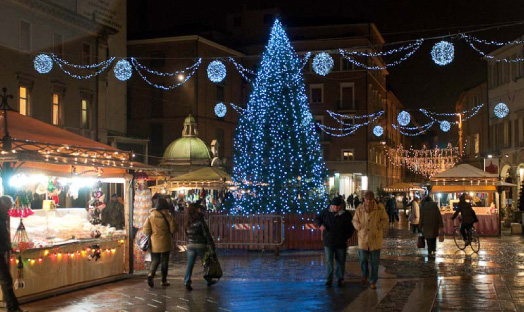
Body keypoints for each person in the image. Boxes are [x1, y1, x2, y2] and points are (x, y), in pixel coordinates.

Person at [352, 191, 389, 289]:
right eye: (367, 199)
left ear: (373, 199)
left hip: (375, 239)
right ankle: (365, 274)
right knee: (363, 259)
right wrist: (358, 226)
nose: (368, 201)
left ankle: (373, 281)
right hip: (363, 239)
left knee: (375, 262)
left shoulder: (380, 208)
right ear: (364, 199)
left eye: (370, 199)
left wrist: (379, 225)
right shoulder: (359, 208)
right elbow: (354, 220)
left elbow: (385, 220)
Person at [314, 197, 354, 287]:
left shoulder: (346, 214)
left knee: (341, 261)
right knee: (329, 261)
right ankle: (329, 279)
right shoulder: (325, 212)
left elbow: (351, 227)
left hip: (341, 241)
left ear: (341, 205)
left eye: (338, 206)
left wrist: (347, 236)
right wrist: (320, 225)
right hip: (329, 241)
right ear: (331, 205)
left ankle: (340, 278)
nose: (336, 208)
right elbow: (317, 219)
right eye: (334, 206)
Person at [143, 198, 177, 288]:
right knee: (165, 261)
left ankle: (151, 274)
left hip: (154, 241)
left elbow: (146, 230)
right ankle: (163, 280)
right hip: (165, 241)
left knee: (155, 260)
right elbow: (173, 229)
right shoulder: (168, 216)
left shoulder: (151, 216)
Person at [184, 204, 217, 290]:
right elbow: (206, 234)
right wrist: (211, 244)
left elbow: (186, 233)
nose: (201, 211)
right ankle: (208, 279)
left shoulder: (188, 221)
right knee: (206, 262)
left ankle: (187, 281)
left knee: (190, 264)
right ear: (196, 210)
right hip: (200, 245)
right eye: (199, 209)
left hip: (190, 245)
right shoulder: (200, 220)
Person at [0, 196, 23, 312]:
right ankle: (13, 308)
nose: (10, 208)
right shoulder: (2, 217)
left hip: (2, 250)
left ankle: (13, 307)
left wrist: (9, 246)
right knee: (6, 280)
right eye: (9, 205)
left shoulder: (4, 216)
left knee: (6, 280)